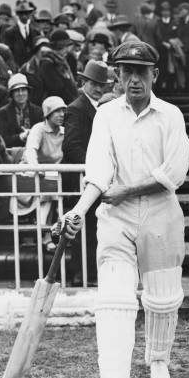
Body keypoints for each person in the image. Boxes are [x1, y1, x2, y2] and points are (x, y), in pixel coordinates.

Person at [55, 41, 189, 378]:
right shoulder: (106, 116)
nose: (133, 78)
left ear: (154, 75)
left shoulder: (171, 115)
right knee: (114, 299)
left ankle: (158, 359)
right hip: (116, 216)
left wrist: (127, 189)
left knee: (163, 298)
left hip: (161, 211)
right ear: (116, 74)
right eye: (125, 71)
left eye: (140, 71)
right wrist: (78, 211)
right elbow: (97, 172)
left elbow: (174, 172)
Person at [62, 60, 113, 284]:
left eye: (102, 84)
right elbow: (71, 147)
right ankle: (82, 274)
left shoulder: (98, 107)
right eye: (94, 83)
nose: (99, 88)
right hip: (83, 179)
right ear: (83, 82)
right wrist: (96, 166)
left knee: (95, 226)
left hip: (95, 179)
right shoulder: (76, 108)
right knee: (85, 228)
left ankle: (90, 273)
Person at [17, 96, 67, 251]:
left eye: (63, 111)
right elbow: (30, 150)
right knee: (49, 193)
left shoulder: (64, 132)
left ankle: (47, 235)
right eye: (56, 111)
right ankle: (45, 235)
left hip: (53, 178)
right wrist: (36, 168)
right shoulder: (39, 129)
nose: (61, 114)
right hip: (32, 174)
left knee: (53, 193)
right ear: (47, 114)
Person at [0, 73, 43, 148]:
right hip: (12, 152)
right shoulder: (3, 112)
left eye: (23, 90)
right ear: (12, 94)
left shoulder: (38, 111)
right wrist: (20, 137)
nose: (21, 94)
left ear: (28, 92)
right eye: (17, 91)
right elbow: (2, 139)